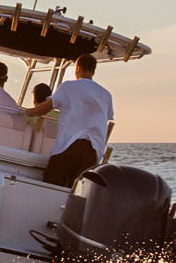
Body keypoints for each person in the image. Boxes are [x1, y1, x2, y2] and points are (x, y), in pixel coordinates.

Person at [24, 54, 113, 187]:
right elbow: (107, 119)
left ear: (78, 68)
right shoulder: (106, 95)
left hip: (69, 145)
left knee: (52, 183)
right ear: (93, 71)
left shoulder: (68, 87)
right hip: (93, 151)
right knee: (76, 190)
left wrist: (25, 111)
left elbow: (42, 110)